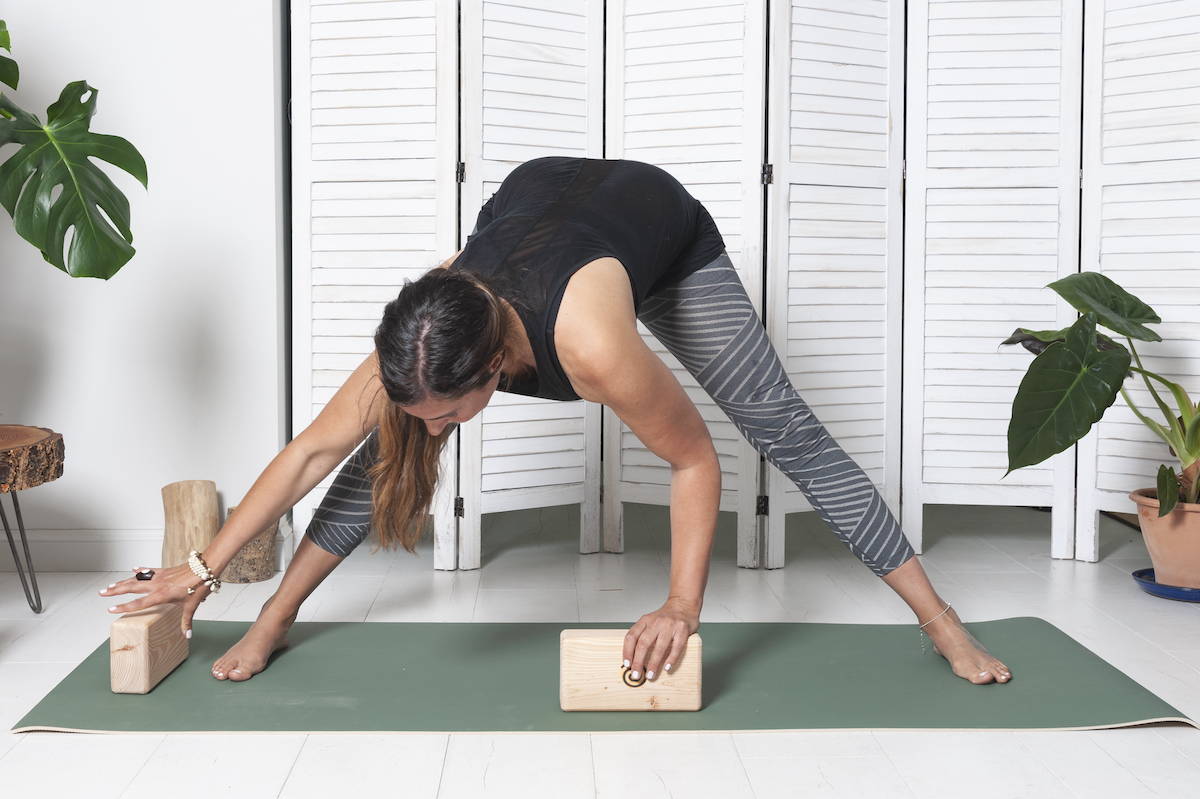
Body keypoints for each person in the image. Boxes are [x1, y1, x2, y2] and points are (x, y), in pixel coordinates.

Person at [101, 156, 1011, 686]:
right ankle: (279, 613)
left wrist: (682, 606)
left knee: (782, 426)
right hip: (532, 197)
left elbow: (697, 463)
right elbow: (309, 455)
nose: (439, 426)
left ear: (496, 368)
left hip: (655, 225)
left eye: (450, 415)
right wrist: (199, 571)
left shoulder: (591, 347)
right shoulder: (433, 329)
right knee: (380, 444)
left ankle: (940, 621)